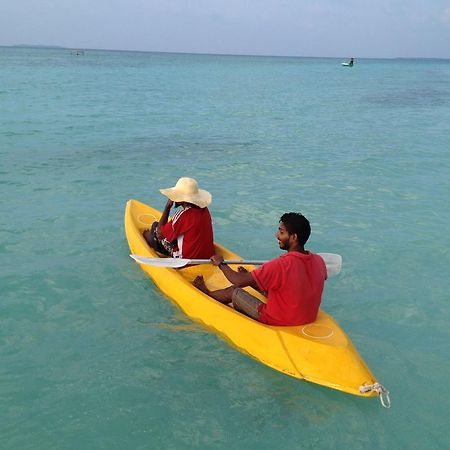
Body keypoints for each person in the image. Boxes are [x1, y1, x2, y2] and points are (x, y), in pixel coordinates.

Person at [193, 212, 327, 326]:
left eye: (281, 232)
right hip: (308, 317)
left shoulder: (280, 265)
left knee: (235, 291)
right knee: (274, 285)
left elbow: (237, 281)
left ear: (293, 237)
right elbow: (295, 282)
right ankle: (253, 281)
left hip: (278, 319)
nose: (277, 235)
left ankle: (207, 293)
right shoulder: (319, 261)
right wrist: (252, 279)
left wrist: (221, 264)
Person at [143, 177, 214, 259]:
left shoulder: (183, 215)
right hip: (207, 256)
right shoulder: (205, 209)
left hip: (185, 259)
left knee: (155, 228)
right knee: (165, 230)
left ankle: (148, 238)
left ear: (181, 199)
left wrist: (167, 207)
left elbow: (159, 234)